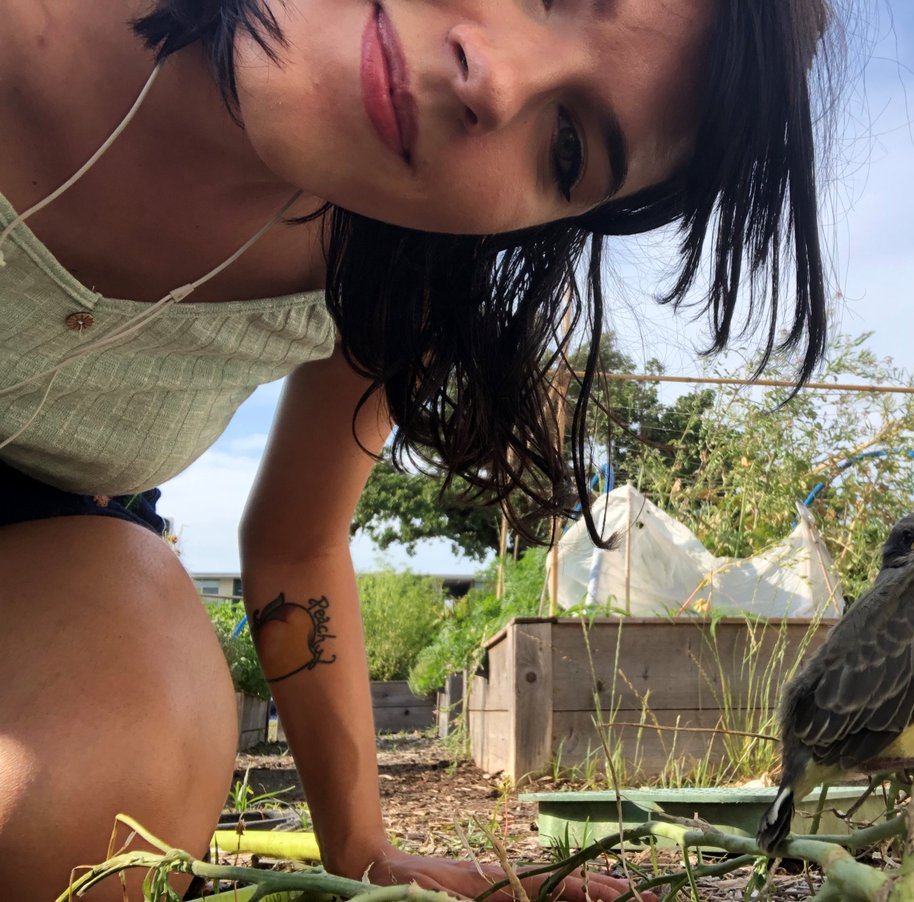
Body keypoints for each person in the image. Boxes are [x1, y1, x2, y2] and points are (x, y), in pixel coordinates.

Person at [0, 0, 831, 898]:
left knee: (96, 797)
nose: (499, 81)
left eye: (565, 150)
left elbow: (297, 541)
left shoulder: (393, 270)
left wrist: (366, 855)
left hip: (43, 539)